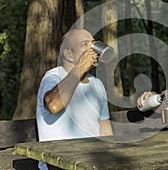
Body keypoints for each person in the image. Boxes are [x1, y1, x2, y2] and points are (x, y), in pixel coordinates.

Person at [36, 29, 113, 170]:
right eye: (85, 44)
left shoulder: (97, 84)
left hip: (92, 164)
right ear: (69, 54)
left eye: (93, 43)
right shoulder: (53, 77)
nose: (92, 49)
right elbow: (53, 105)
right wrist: (80, 67)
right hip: (58, 165)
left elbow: (106, 131)